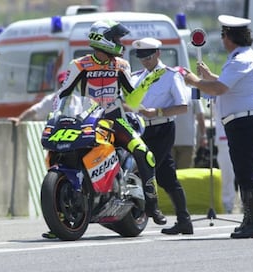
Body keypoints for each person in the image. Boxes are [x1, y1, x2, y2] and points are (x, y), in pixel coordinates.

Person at [46, 20, 168, 238]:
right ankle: (60, 218)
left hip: (115, 118)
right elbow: (63, 94)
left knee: (144, 154)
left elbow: (131, 97)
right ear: (103, 39)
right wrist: (56, 114)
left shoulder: (122, 65)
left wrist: (148, 81)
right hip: (87, 117)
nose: (120, 43)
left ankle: (152, 205)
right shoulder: (80, 65)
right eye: (116, 38)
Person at [183, 15, 253, 239]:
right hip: (243, 122)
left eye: (223, 35)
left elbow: (220, 89)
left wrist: (194, 81)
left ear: (230, 37)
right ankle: (249, 221)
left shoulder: (240, 59)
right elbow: (228, 85)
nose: (221, 40)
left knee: (245, 174)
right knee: (242, 173)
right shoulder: (242, 57)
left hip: (245, 122)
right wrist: (210, 77)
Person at [131, 37, 193, 235]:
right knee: (167, 176)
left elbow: (183, 106)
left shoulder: (170, 75)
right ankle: (184, 220)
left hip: (161, 128)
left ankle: (150, 210)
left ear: (158, 54)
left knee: (145, 168)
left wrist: (155, 112)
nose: (145, 61)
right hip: (141, 129)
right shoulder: (137, 77)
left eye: (148, 57)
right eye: (141, 58)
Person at [213, 102, 237, 214]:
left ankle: (229, 203)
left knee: (230, 173)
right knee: (226, 173)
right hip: (222, 138)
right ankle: (226, 203)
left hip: (231, 135)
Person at [172, 96, 207, 169]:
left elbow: (200, 116)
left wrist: (203, 136)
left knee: (185, 173)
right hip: (169, 141)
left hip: (188, 142)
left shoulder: (193, 91)